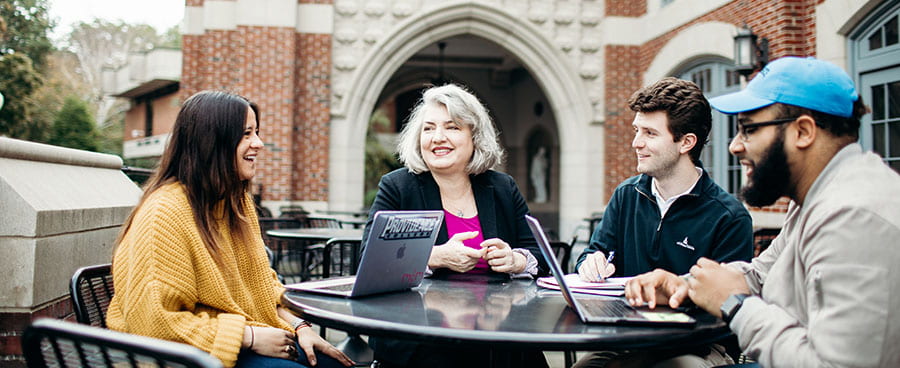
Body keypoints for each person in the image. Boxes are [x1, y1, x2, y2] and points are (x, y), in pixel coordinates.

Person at [626, 56, 900, 367]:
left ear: (804, 132)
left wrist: (736, 305)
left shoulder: (855, 214)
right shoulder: (818, 197)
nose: (735, 146)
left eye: (748, 129)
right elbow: (759, 275)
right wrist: (686, 285)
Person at [106, 91, 353, 368]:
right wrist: (246, 336)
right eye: (246, 134)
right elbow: (154, 323)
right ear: (212, 143)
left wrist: (302, 327)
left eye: (256, 132)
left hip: (240, 342)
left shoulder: (235, 203)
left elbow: (262, 286)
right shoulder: (164, 213)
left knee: (337, 364)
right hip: (186, 357)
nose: (258, 144)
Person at [364, 83, 548, 368]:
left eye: (452, 127)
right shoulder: (399, 187)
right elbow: (369, 259)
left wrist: (515, 259)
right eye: (428, 129)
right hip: (420, 335)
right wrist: (434, 256)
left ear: (475, 137)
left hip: (501, 332)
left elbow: (541, 254)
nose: (438, 138)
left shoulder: (502, 187)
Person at [576, 77, 753, 283]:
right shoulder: (626, 195)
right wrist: (590, 263)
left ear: (686, 142)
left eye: (650, 133)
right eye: (637, 131)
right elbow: (593, 253)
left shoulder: (730, 218)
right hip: (616, 315)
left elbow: (725, 299)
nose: (636, 143)